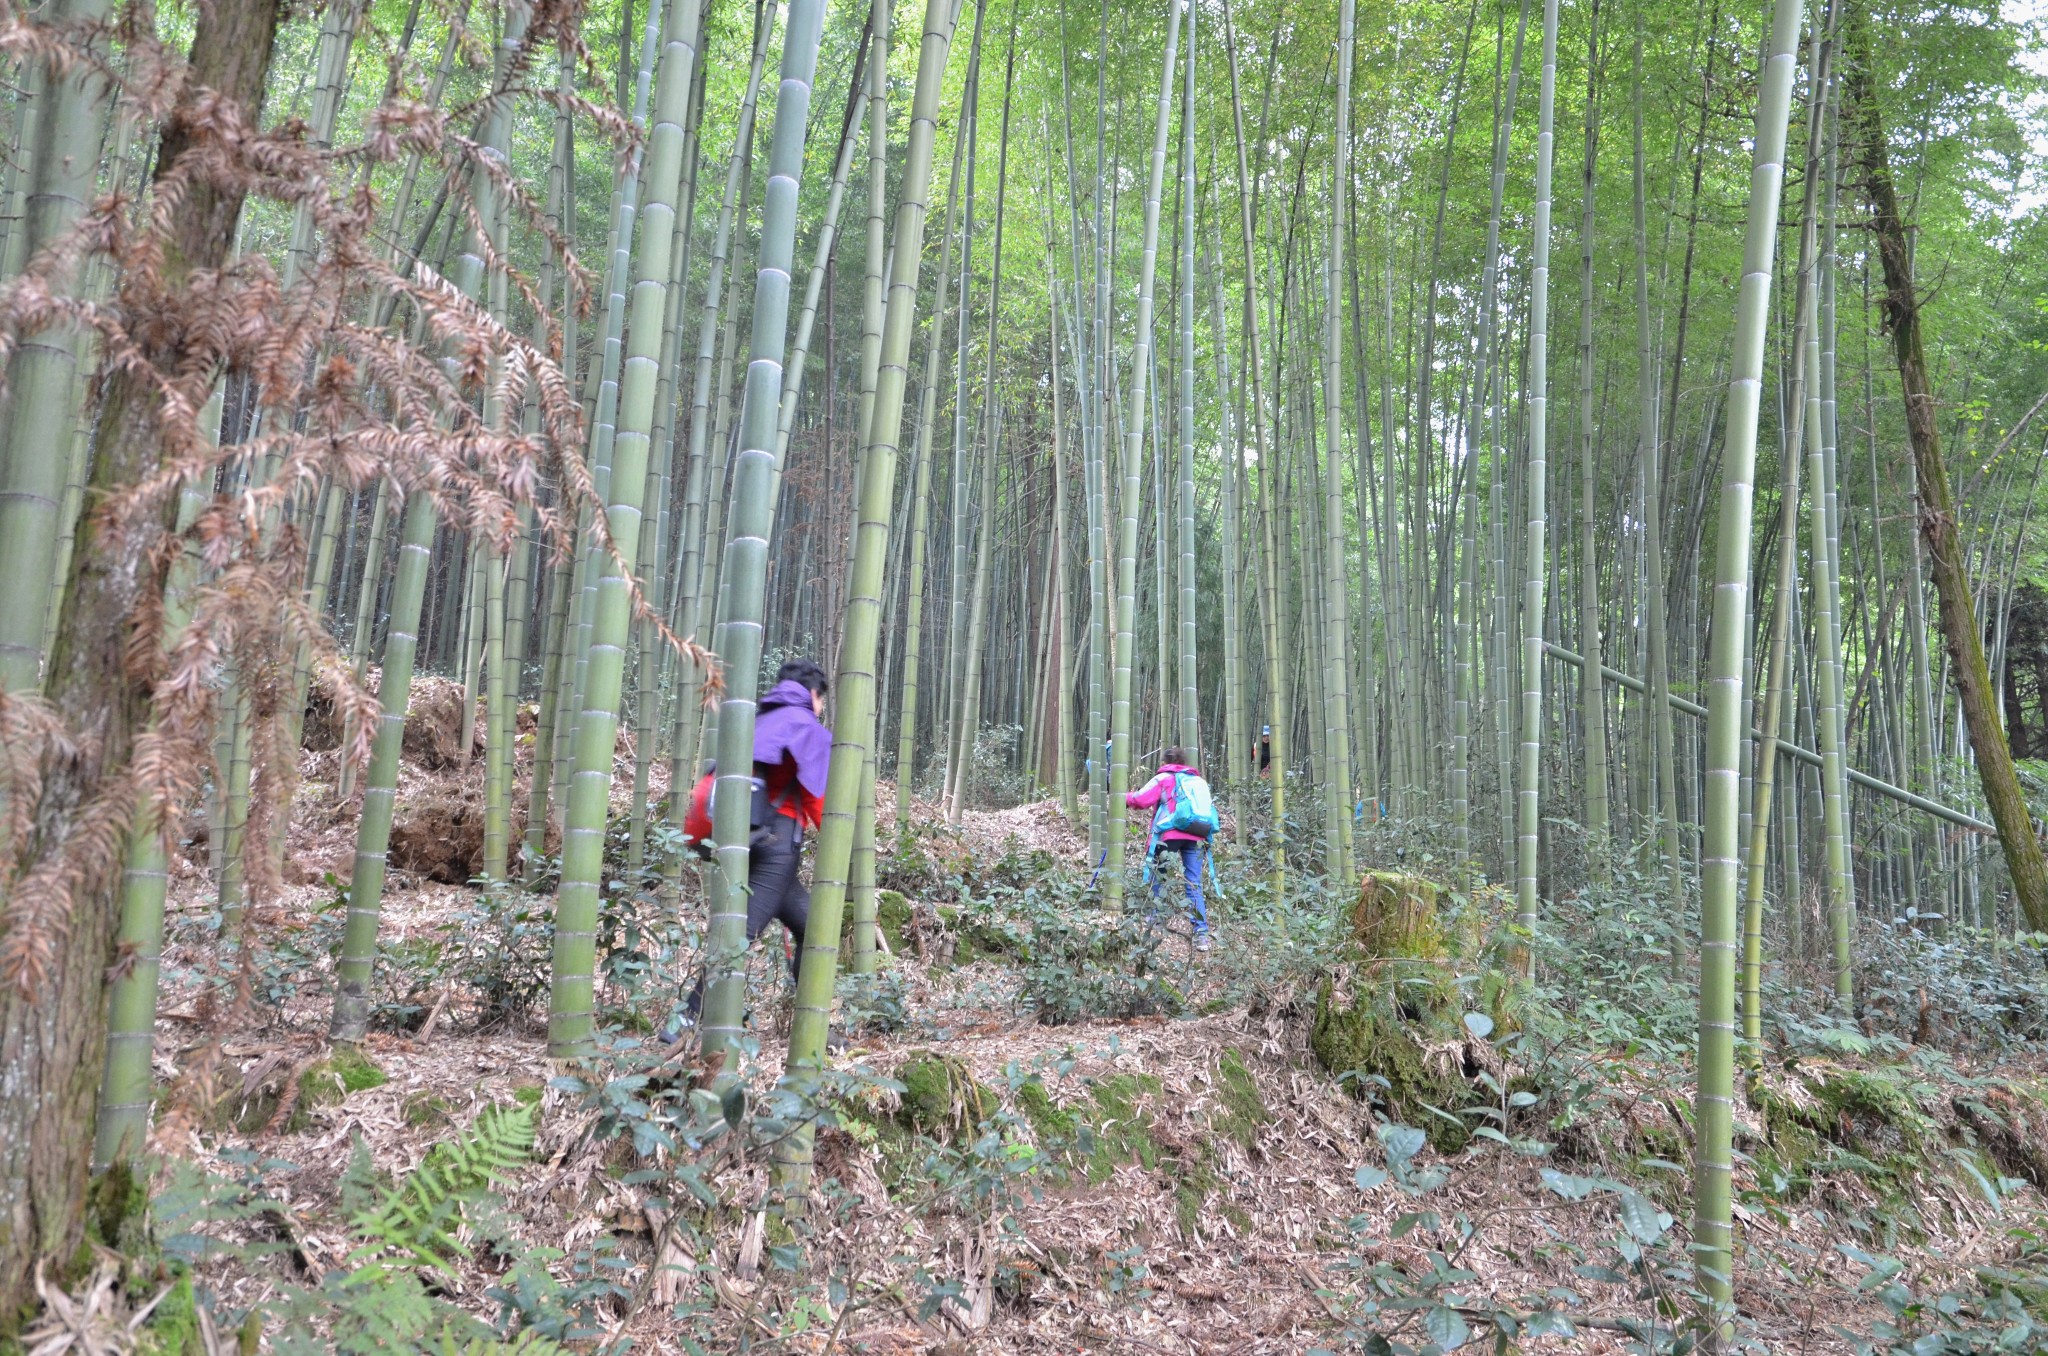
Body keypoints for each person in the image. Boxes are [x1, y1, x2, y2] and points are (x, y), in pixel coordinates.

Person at [678, 658, 832, 1026]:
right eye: (822, 699)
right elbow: (815, 796)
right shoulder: (805, 726)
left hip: (743, 838)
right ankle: (684, 1021)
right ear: (812, 694)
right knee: (740, 934)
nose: (822, 706)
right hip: (777, 846)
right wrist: (838, 836)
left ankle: (816, 1027)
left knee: (812, 927)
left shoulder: (755, 719)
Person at [1125, 747, 1213, 951]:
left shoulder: (1163, 778)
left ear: (1165, 762)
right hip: (1197, 833)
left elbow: (1140, 799)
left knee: (1158, 874)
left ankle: (1155, 920)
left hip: (1169, 834)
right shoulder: (1197, 781)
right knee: (1194, 883)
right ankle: (1201, 934)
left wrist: (1122, 797)